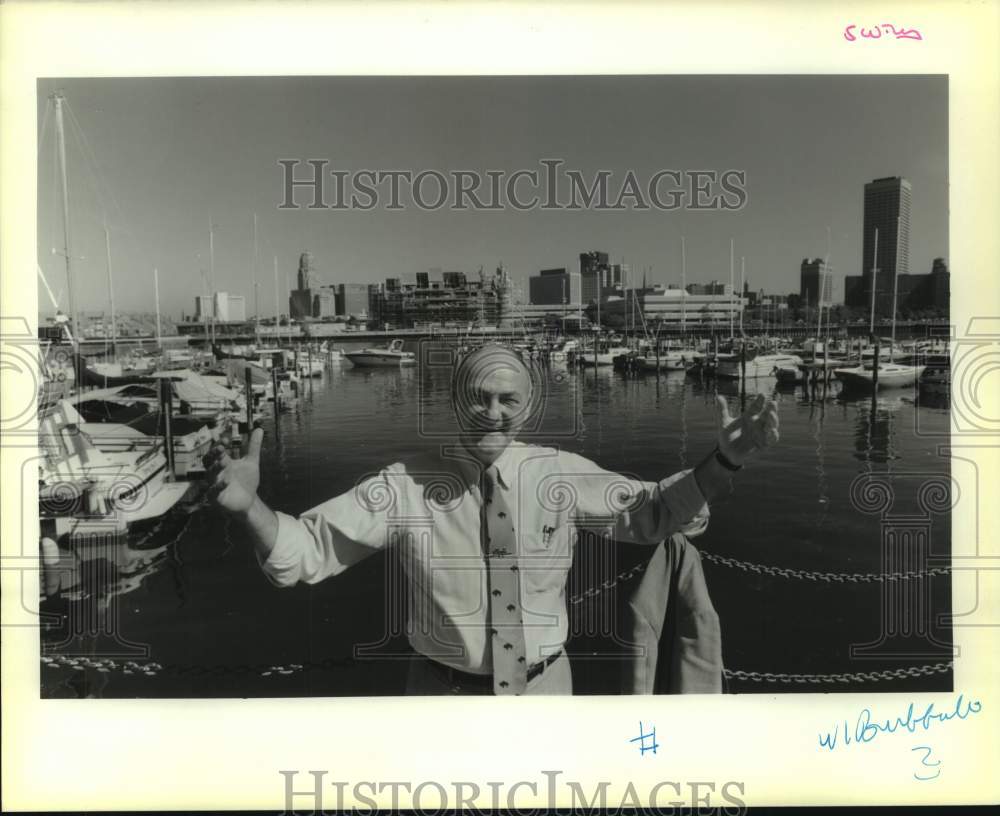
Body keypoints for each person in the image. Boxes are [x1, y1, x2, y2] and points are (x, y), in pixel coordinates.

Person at [207, 344, 779, 695]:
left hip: (546, 693)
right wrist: (251, 508)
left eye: (508, 400)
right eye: (479, 398)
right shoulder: (402, 484)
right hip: (441, 701)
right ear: (455, 403)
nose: (493, 413)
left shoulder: (561, 474)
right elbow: (304, 552)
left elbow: (654, 513)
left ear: (526, 407)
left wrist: (724, 461)